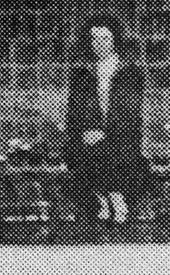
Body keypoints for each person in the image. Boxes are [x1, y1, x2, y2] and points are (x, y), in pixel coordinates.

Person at [63, 14, 150, 227]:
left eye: (104, 38)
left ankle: (116, 199)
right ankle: (103, 198)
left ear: (114, 40)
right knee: (84, 150)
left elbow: (129, 112)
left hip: (122, 135)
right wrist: (84, 132)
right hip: (89, 136)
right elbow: (74, 111)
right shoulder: (82, 74)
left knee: (111, 151)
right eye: (94, 39)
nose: (99, 44)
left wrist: (105, 132)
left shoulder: (130, 72)